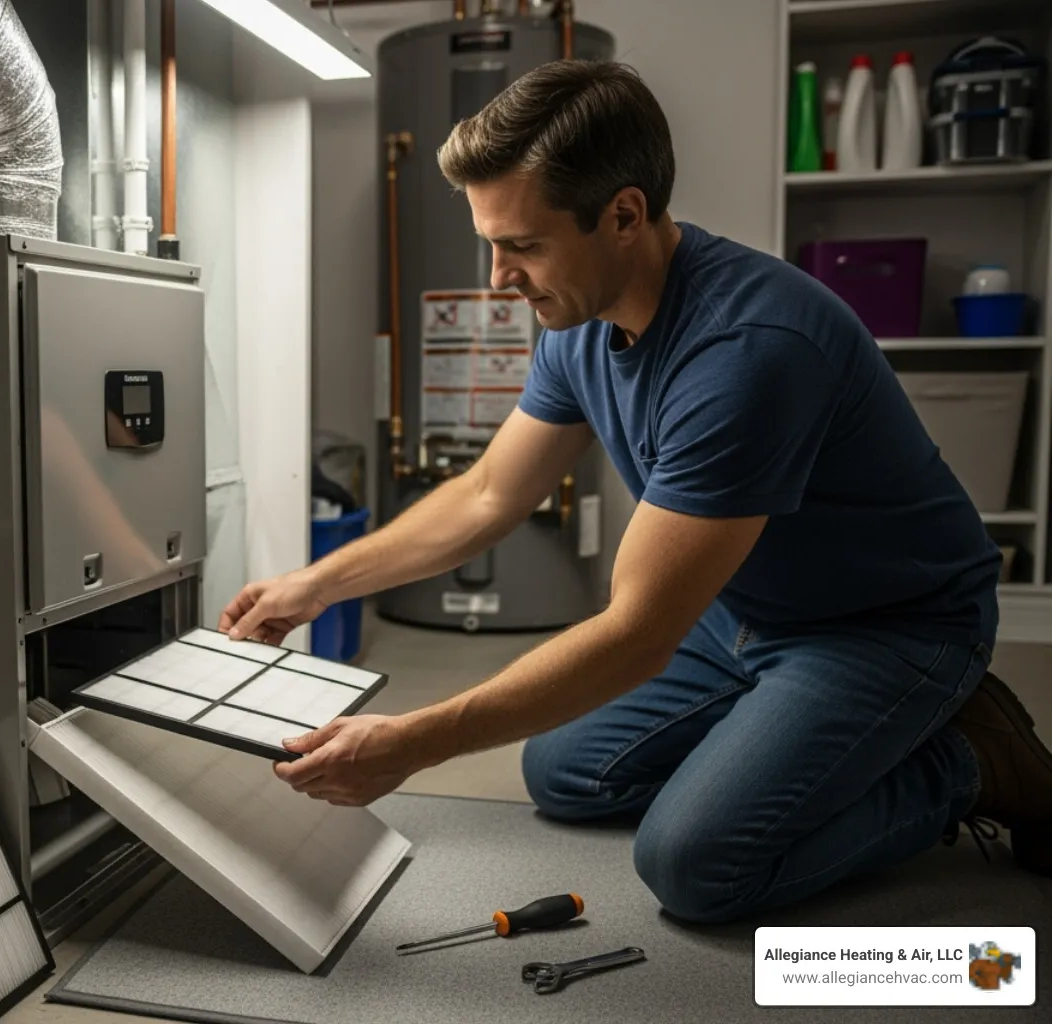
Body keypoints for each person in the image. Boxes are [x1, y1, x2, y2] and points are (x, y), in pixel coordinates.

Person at [218, 60, 1052, 924]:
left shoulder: (746, 351)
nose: (500, 277)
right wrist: (313, 585)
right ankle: (798, 730)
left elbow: (637, 634)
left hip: (885, 627)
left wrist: (410, 742)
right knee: (562, 771)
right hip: (743, 613)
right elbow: (487, 495)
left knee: (695, 865)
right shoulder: (578, 320)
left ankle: (970, 766)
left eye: (524, 246)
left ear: (624, 215)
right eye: (490, 242)